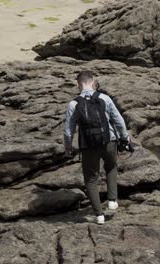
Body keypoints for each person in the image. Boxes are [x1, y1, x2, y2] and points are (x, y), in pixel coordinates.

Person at [63, 71, 129, 225]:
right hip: (109, 141)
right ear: (93, 82)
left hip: (88, 146)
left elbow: (68, 130)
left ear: (79, 85)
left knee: (91, 179)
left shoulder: (73, 104)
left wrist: (68, 148)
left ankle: (99, 215)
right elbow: (118, 120)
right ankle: (112, 200)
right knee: (111, 167)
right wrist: (124, 136)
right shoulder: (104, 98)